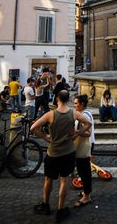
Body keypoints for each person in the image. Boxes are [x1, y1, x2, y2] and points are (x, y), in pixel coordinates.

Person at [31, 90, 91, 222]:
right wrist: (77, 133)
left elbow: (33, 128)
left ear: (57, 99)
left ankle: (45, 205)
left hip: (53, 152)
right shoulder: (73, 113)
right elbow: (89, 124)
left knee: (48, 179)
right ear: (68, 99)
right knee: (64, 180)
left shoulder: (50, 114)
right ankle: (60, 209)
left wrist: (45, 137)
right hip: (68, 152)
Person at [73, 94, 95, 208]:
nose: (74, 105)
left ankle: (87, 197)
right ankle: (86, 192)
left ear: (82, 104)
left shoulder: (85, 115)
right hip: (83, 145)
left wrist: (75, 133)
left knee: (84, 171)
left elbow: (88, 133)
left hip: (85, 146)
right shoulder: (83, 114)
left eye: (76, 103)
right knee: (83, 170)